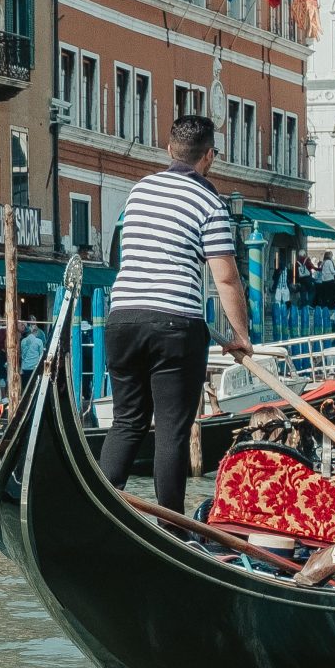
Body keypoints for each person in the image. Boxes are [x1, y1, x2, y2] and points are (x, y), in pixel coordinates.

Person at [97, 115, 252, 515]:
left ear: (169, 150)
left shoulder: (139, 191)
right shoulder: (210, 202)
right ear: (210, 157)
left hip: (123, 318)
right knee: (171, 432)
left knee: (127, 421)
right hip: (175, 325)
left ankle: (98, 506)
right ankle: (174, 526)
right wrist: (241, 336)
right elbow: (227, 279)